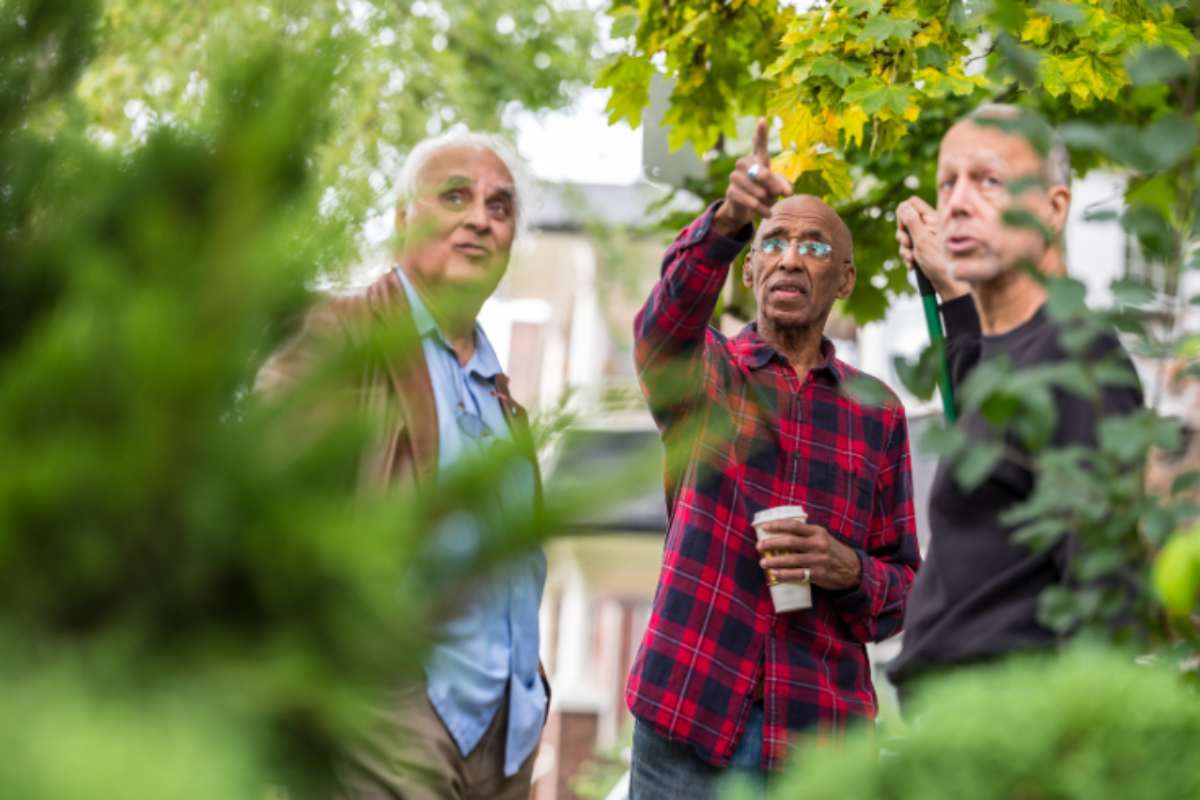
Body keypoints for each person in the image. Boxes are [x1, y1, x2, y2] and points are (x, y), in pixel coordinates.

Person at [626, 119, 921, 798]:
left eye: (814, 246)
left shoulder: (879, 412)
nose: (791, 258)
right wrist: (730, 220)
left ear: (843, 278)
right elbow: (662, 326)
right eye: (773, 243)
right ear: (751, 268)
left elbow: (904, 589)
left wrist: (846, 569)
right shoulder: (703, 374)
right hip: (687, 716)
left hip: (820, 741)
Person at [256, 131, 547, 799]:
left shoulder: (503, 399)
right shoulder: (342, 337)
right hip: (391, 711)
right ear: (402, 219)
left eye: (500, 208)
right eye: (455, 196)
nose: (480, 217)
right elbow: (273, 513)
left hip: (509, 733)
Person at [886, 104, 1144, 696]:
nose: (956, 201)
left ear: (1053, 209)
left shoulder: (1077, 363)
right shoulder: (1015, 354)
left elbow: (1104, 596)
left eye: (989, 180)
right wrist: (951, 290)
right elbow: (976, 390)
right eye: (947, 182)